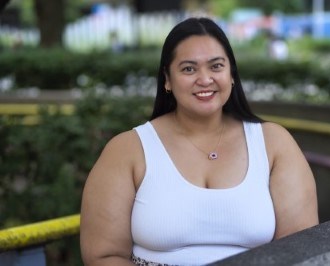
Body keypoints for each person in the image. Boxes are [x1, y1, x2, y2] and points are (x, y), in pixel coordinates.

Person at [80, 17, 318, 266]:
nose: (205, 79)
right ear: (167, 80)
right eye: (189, 69)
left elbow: (300, 250)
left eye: (216, 66)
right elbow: (103, 256)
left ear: (232, 74)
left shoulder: (274, 144)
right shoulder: (127, 149)